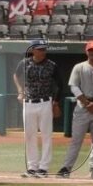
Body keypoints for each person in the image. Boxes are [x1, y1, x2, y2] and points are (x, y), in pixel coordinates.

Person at [57, 40, 93, 179]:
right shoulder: (79, 67)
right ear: (86, 51)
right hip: (82, 107)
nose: (92, 52)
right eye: (90, 50)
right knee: (76, 139)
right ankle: (66, 168)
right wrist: (87, 103)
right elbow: (74, 86)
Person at [12, 39, 63, 177]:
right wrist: (20, 90)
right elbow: (16, 75)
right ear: (32, 50)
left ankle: (44, 168)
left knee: (46, 135)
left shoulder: (51, 65)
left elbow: (60, 84)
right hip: (28, 103)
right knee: (29, 135)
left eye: (44, 49)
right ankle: (32, 167)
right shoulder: (24, 63)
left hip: (45, 102)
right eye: (40, 49)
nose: (42, 51)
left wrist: (56, 103)